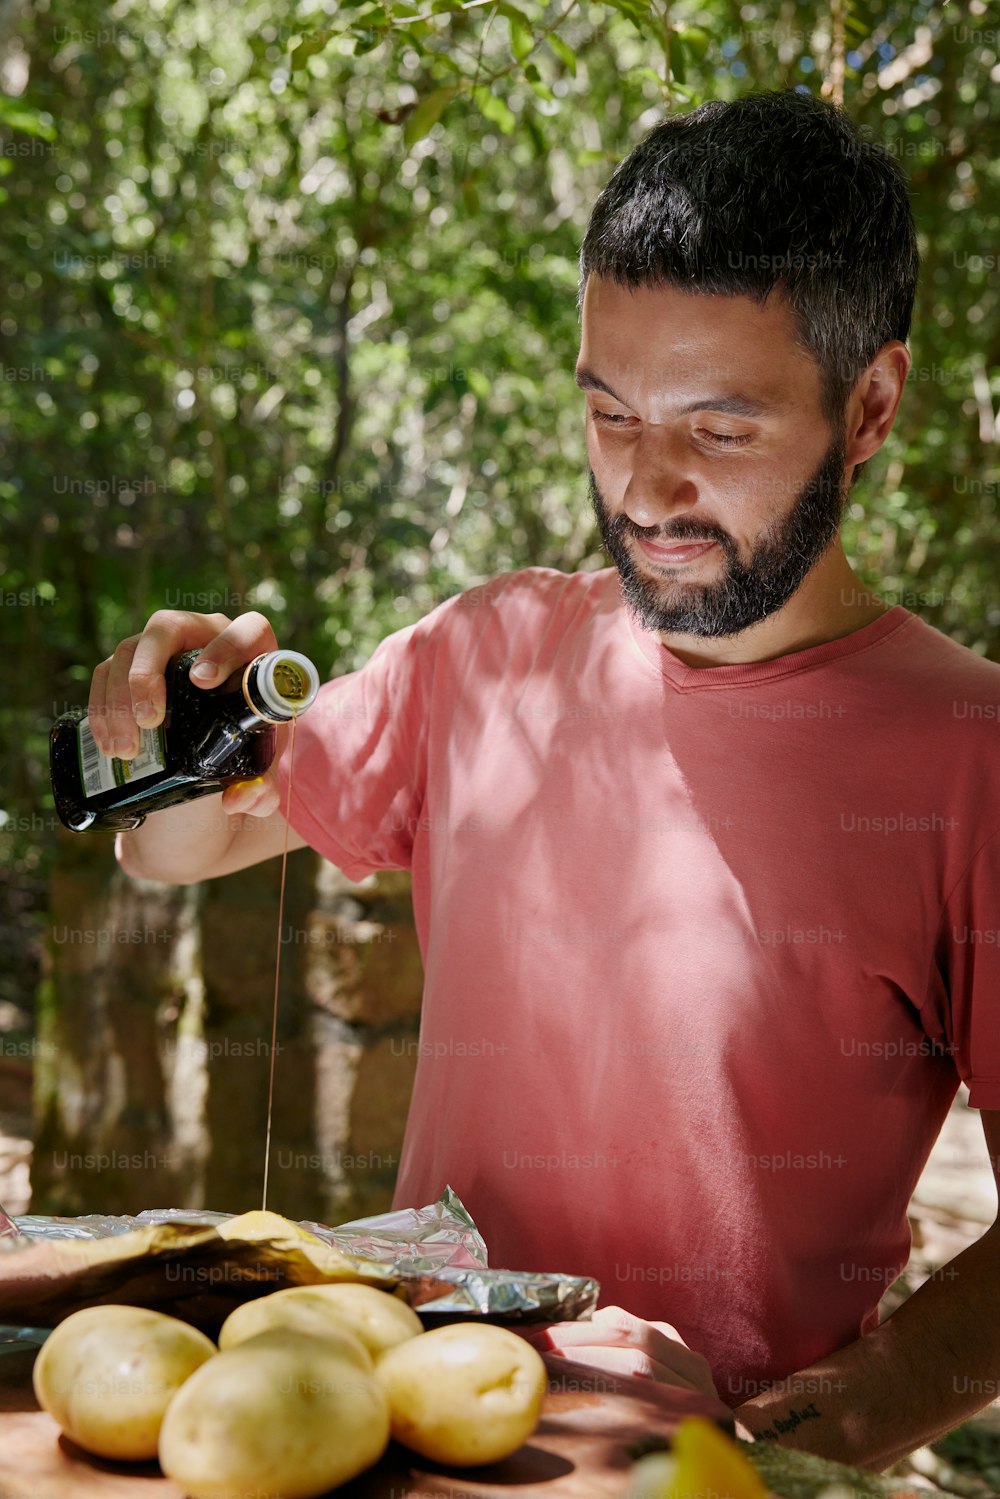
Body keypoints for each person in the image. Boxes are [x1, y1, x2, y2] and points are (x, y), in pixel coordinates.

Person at [92, 90, 1000, 1469]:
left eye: (720, 428)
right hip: (396, 1451)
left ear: (870, 405)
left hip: (708, 1479)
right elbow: (169, 853)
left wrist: (898, 1387)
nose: (645, 485)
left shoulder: (966, 755)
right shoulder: (487, 653)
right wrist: (157, 742)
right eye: (611, 411)